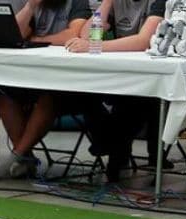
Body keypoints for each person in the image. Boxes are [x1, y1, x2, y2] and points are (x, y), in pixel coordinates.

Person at [62, 0, 165, 180]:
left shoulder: (158, 3)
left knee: (131, 102)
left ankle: (113, 149)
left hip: (153, 76)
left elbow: (143, 41)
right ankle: (109, 143)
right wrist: (107, 2)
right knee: (82, 92)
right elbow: (87, 35)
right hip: (120, 73)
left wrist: (94, 47)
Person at [0, 0, 91, 179]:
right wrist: (30, 7)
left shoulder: (77, 2)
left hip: (65, 79)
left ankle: (17, 155)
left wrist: (37, 40)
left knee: (49, 97)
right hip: (30, 75)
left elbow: (74, 34)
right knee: (6, 94)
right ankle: (25, 158)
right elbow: (13, 35)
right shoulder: (27, 3)